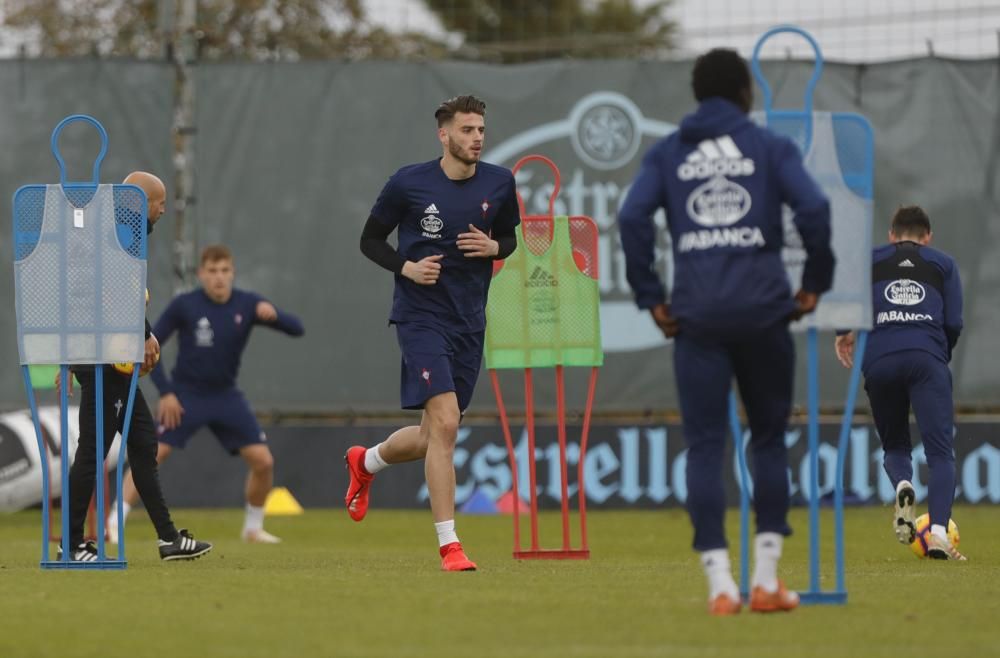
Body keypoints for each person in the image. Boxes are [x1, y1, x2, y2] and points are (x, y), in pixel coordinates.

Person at [618, 49, 835, 614]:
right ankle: (765, 580)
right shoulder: (769, 147)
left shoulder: (668, 153)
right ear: (745, 92)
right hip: (765, 312)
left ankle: (720, 586)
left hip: (697, 319)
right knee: (767, 439)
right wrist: (814, 281)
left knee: (705, 446)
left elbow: (630, 218)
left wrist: (651, 297)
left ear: (697, 94)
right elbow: (813, 207)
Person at [345, 95, 520, 571]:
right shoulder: (409, 182)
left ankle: (367, 462)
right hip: (420, 317)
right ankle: (450, 546)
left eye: (481, 129)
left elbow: (511, 239)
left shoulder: (501, 183)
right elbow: (369, 240)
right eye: (467, 130)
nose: (477, 138)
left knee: (432, 436)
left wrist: (492, 246)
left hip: (469, 321)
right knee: (445, 424)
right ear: (444, 135)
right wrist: (406, 267)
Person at [58, 171, 213, 562]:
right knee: (93, 453)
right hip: (102, 359)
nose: (163, 208)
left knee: (143, 445)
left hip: (107, 359)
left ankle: (168, 539)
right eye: (159, 201)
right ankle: (71, 544)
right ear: (139, 202)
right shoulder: (120, 234)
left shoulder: (115, 232)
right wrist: (143, 334)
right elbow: (113, 290)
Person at [109, 244, 304, 544]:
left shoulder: (247, 303)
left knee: (263, 461)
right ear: (201, 274)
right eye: (212, 271)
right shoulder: (185, 305)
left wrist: (274, 315)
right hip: (185, 396)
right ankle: (113, 522)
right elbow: (150, 346)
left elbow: (297, 329)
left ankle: (252, 528)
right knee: (151, 454)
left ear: (232, 273)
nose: (219, 277)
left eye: (225, 271)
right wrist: (167, 393)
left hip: (226, 396)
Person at [834, 206, 964, 560]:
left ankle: (903, 485)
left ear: (892, 235)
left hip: (880, 360)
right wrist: (939, 353)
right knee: (940, 453)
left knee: (895, 446)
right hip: (926, 359)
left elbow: (844, 300)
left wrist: (843, 332)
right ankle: (938, 534)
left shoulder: (870, 260)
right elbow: (953, 321)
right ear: (928, 237)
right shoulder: (943, 263)